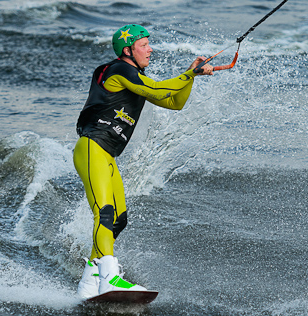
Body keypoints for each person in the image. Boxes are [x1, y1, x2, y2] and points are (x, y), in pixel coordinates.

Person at [74, 24, 214, 298]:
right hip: (92, 148)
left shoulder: (135, 77)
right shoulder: (120, 69)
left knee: (119, 220)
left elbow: (174, 102)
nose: (150, 49)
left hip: (108, 156)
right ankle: (109, 278)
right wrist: (190, 72)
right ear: (128, 50)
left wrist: (191, 77)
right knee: (103, 213)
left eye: (150, 44)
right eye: (144, 45)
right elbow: (161, 90)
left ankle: (89, 282)